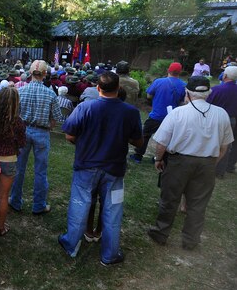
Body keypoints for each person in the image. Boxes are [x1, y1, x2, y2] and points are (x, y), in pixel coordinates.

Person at [58, 72, 143, 265]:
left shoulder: (85, 107)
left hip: (87, 165)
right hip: (114, 169)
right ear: (118, 87)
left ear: (98, 88)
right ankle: (109, 254)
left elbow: (69, 135)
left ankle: (71, 244)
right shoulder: (130, 112)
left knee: (80, 204)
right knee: (112, 211)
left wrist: (85, 143)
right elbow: (138, 141)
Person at [147, 76, 233, 250]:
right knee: (198, 204)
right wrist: (212, 162)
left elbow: (161, 142)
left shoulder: (178, 113)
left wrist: (158, 159)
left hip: (179, 162)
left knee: (169, 199)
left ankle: (161, 233)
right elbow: (225, 146)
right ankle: (191, 240)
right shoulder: (221, 113)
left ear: (187, 93)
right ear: (208, 93)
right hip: (207, 163)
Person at [9, 60, 63, 215]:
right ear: (45, 74)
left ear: (31, 73)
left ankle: (15, 200)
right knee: (40, 171)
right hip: (41, 132)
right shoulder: (50, 94)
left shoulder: (21, 91)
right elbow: (56, 119)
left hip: (23, 130)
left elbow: (14, 115)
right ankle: (38, 204)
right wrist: (47, 125)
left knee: (19, 168)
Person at [0, 87, 26, 237]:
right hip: (8, 160)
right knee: (3, 196)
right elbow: (21, 143)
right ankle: (0, 227)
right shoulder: (18, 122)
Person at [129, 62, 186, 163]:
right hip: (173, 117)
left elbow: (149, 96)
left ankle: (138, 156)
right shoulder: (183, 85)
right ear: (179, 72)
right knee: (168, 138)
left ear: (168, 70)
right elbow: (183, 102)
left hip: (157, 115)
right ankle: (159, 158)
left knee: (145, 134)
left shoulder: (159, 81)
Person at [207, 66, 237, 177]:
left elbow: (207, 105)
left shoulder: (216, 89)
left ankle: (208, 167)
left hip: (215, 119)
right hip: (232, 120)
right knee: (226, 145)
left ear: (224, 76)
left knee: (211, 142)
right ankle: (220, 171)